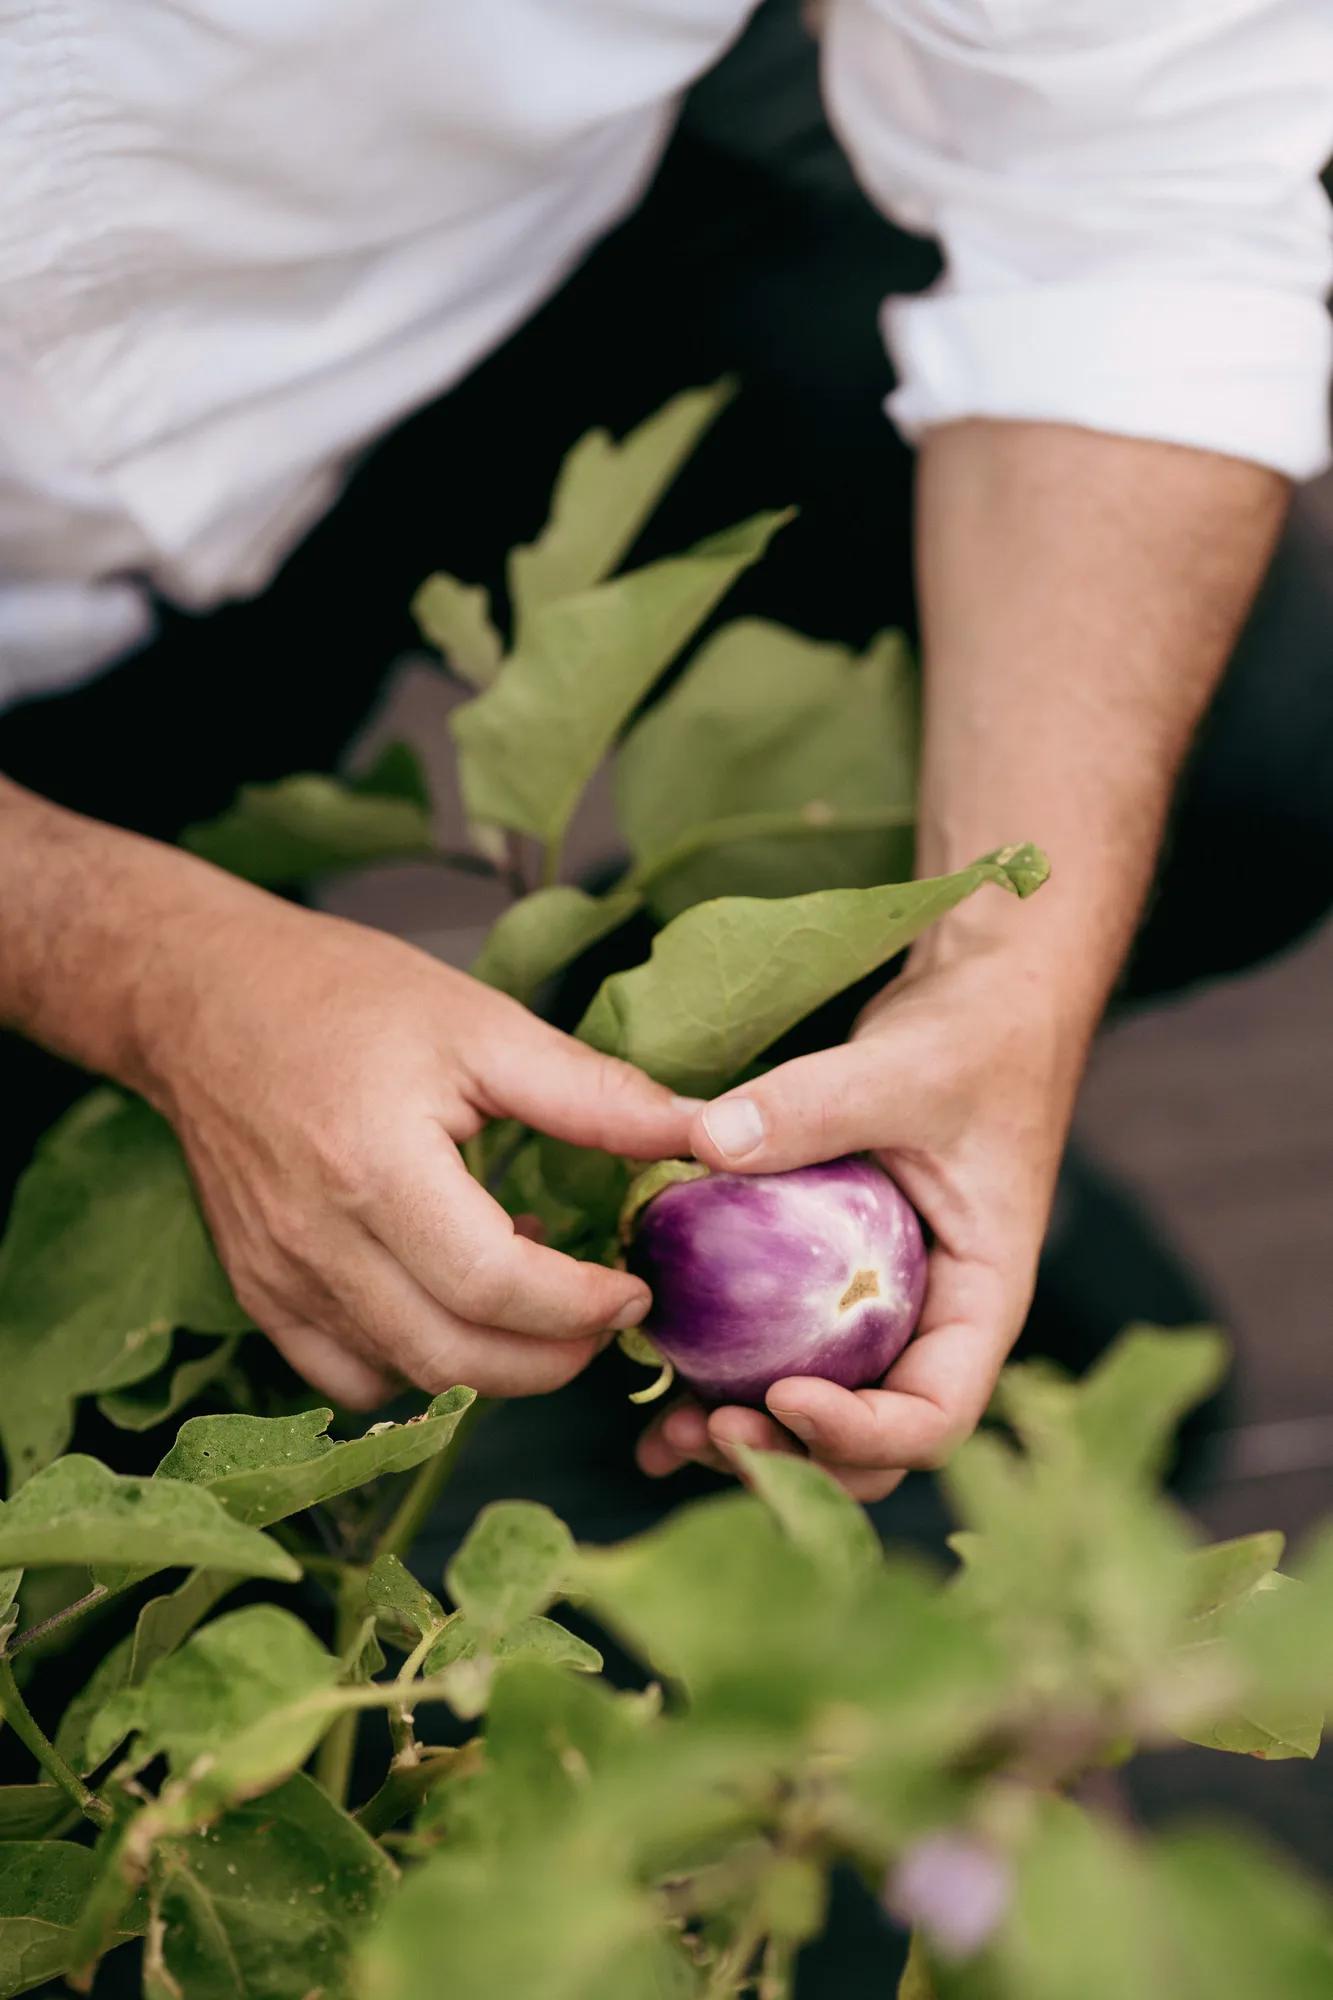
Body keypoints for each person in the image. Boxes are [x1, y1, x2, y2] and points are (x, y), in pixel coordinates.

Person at [2, 0, 1332, 1519]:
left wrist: (1001, 979)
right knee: (99, 1515)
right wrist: (138, 968)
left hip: (485, 252)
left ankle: (679, 1123)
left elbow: (1140, 206)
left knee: (1242, 729)